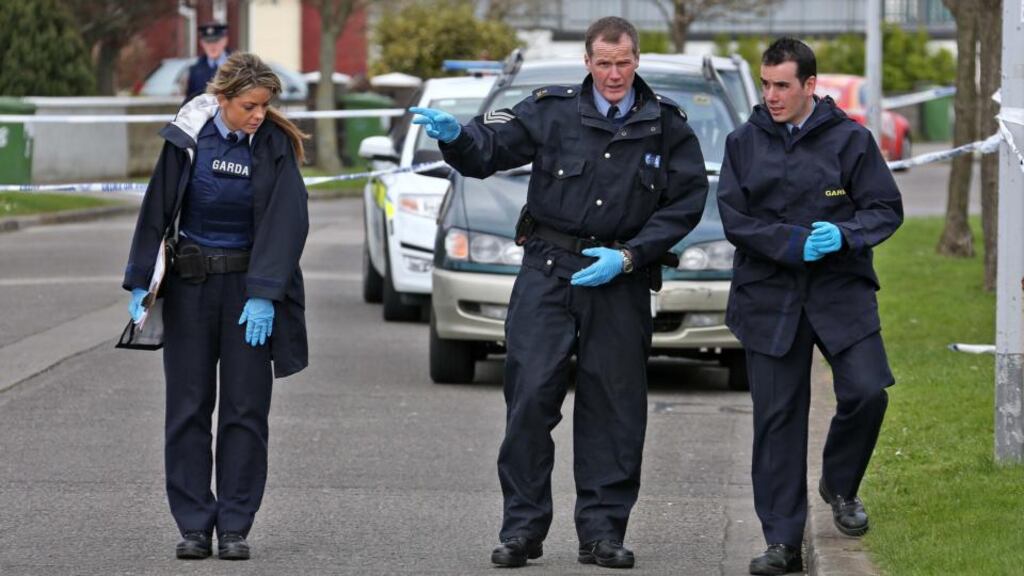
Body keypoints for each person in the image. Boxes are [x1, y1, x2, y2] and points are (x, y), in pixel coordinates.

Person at [412, 16, 708, 570]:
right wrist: (457, 137)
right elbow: (492, 147)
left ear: (636, 60)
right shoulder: (551, 109)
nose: (614, 74)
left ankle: (602, 533)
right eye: (604, 62)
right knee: (529, 399)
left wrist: (630, 254)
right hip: (548, 273)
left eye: (623, 62)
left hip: (618, 278)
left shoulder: (666, 124)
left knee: (614, 409)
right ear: (588, 62)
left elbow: (685, 203)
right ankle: (522, 530)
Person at [716, 38, 903, 576]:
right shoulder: (742, 143)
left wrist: (844, 235)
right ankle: (781, 543)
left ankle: (840, 485)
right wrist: (792, 243)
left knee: (868, 391)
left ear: (809, 86)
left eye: (782, 85)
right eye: (766, 84)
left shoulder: (851, 141)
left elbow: (885, 209)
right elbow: (736, 221)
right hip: (768, 296)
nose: (771, 95)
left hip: (840, 291)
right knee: (777, 421)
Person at [123, 52, 310, 561]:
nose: (258, 115)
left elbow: (287, 221)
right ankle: (192, 524)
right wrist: (141, 278)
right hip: (190, 288)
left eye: (265, 106)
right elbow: (157, 206)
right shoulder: (187, 139)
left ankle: (233, 525)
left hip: (249, 292)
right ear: (222, 99)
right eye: (249, 105)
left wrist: (265, 293)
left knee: (245, 411)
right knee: (187, 409)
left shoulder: (273, 146)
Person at [185, 21, 230, 103]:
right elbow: (190, 101)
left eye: (216, 41)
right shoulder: (195, 70)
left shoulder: (237, 66)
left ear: (224, 40)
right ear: (202, 43)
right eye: (208, 42)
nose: (212, 46)